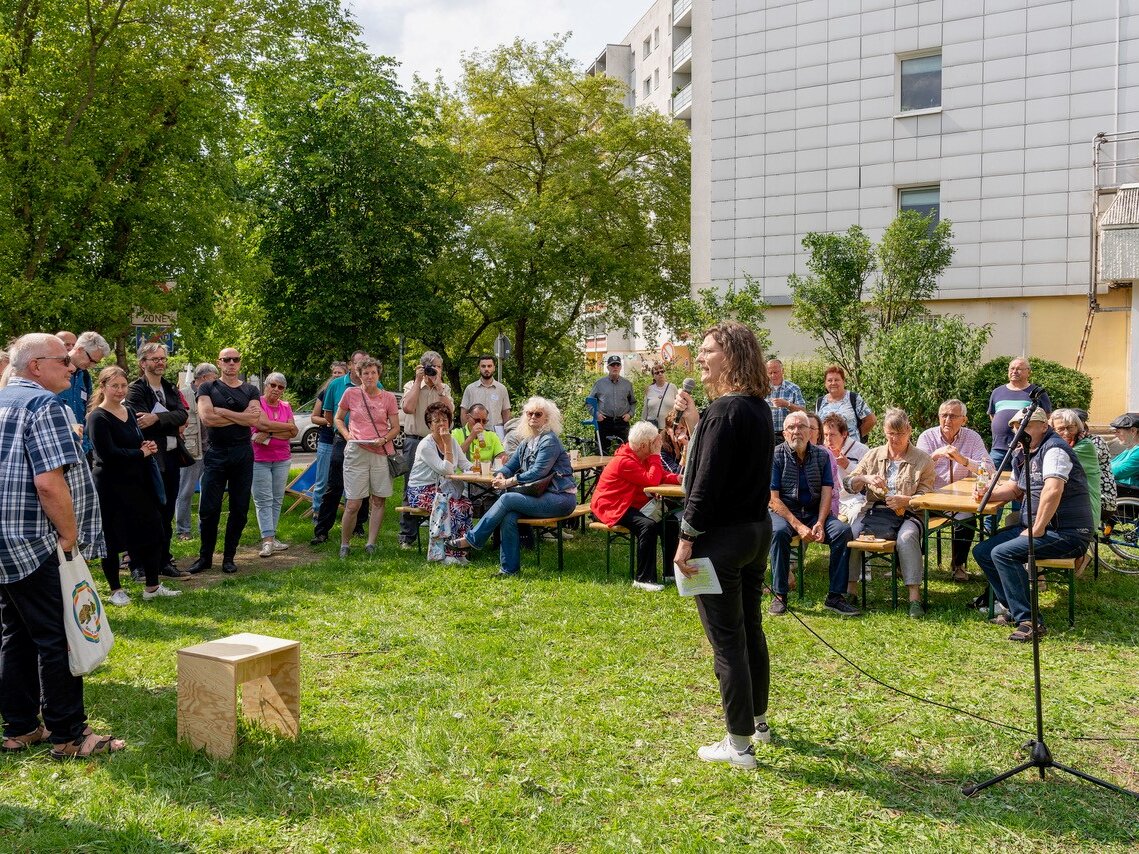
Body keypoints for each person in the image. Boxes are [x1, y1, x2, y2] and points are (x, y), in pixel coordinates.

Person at [0, 333, 124, 759]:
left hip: (4, 541)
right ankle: (69, 735)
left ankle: (20, 728)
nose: (72, 368)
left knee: (15, 633)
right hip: (35, 540)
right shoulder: (43, 405)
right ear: (36, 365)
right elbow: (49, 482)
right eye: (62, 362)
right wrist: (69, 537)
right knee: (59, 636)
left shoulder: (2, 400)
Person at [669, 321, 774, 770]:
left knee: (727, 640)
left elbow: (706, 484)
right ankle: (759, 722)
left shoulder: (724, 411)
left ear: (729, 356)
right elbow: (721, 464)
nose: (702, 357)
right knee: (749, 628)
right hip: (755, 532)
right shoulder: (756, 409)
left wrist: (686, 537)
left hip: (722, 540)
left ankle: (740, 745)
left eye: (709, 350)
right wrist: (696, 420)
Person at [972, 406, 1093, 642]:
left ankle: (1029, 621)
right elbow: (1016, 488)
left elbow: (1053, 490)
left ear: (1043, 427)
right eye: (1016, 427)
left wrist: (1037, 529)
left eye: (1026, 425)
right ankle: (1010, 606)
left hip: (1067, 533)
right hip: (1038, 527)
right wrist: (988, 493)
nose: (1020, 430)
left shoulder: (1055, 450)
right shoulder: (1022, 453)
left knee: (1003, 554)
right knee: (983, 551)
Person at [447, 397, 577, 577]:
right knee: (509, 515)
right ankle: (509, 569)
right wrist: (501, 473)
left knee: (507, 497)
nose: (532, 417)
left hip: (560, 498)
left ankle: (473, 538)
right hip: (538, 496)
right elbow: (510, 465)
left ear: (547, 419)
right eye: (529, 413)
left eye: (538, 414)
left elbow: (537, 473)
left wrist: (508, 482)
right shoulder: (526, 442)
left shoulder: (549, 441)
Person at [87, 366, 182, 603]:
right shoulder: (97, 417)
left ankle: (152, 586)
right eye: (114, 386)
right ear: (103, 387)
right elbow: (107, 454)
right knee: (112, 537)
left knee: (153, 530)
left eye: (123, 386)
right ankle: (115, 590)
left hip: (138, 482)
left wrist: (146, 447)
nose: (120, 390)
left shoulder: (129, 411)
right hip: (110, 485)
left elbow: (135, 442)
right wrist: (140, 453)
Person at [843, 408, 936, 618]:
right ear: (884, 432)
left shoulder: (923, 460)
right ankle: (851, 590)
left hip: (910, 513)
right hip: (876, 512)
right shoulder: (873, 455)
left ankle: (914, 597)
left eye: (900, 434)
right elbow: (849, 483)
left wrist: (906, 500)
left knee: (906, 537)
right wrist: (865, 479)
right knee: (851, 533)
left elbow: (926, 497)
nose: (895, 439)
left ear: (909, 430)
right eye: (891, 434)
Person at [767, 411, 857, 617]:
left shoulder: (822, 455)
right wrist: (798, 525)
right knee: (779, 533)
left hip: (815, 512)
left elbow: (827, 491)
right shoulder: (776, 455)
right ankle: (780, 594)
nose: (797, 431)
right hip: (784, 513)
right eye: (792, 428)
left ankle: (835, 596)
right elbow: (773, 499)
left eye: (801, 427)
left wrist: (820, 522)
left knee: (843, 531)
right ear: (784, 433)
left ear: (810, 432)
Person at [188, 348, 261, 575]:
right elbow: (208, 418)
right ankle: (205, 557)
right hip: (216, 453)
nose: (231, 363)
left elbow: (254, 419)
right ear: (219, 363)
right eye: (226, 359)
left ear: (240, 363)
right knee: (209, 509)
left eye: (235, 359)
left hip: (242, 453)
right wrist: (239, 417)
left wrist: (224, 412)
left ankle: (229, 557)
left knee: (239, 509)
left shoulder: (251, 389)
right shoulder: (207, 387)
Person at [590, 421, 681, 591]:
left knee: (670, 523)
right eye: (654, 442)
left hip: (630, 503)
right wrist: (656, 455)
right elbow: (651, 479)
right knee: (648, 526)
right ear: (643, 445)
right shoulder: (625, 461)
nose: (658, 444)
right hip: (612, 506)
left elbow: (658, 474)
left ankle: (670, 573)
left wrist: (677, 479)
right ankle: (644, 579)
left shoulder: (640, 456)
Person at [126, 342, 189, 578]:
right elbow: (140, 420)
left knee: (166, 512)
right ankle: (138, 564)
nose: (161, 362)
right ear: (143, 363)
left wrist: (157, 418)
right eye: (155, 359)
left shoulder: (170, 388)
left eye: (163, 358)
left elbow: (183, 414)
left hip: (172, 458)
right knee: (145, 511)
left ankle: (164, 560)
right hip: (149, 458)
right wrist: (166, 419)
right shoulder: (135, 390)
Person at [915, 399, 989, 581]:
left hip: (960, 500)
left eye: (953, 416)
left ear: (964, 420)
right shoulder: (927, 437)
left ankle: (958, 565)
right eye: (944, 415)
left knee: (967, 517)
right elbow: (915, 469)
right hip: (931, 498)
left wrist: (963, 459)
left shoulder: (972, 438)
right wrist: (934, 456)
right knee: (912, 517)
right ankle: (911, 564)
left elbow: (988, 468)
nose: (947, 419)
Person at [335, 358, 400, 558]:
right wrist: (347, 436)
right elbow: (338, 418)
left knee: (378, 500)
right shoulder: (351, 393)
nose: (370, 376)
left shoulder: (388, 397)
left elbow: (396, 427)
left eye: (373, 372)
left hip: (381, 452)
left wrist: (385, 438)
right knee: (353, 502)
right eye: (366, 373)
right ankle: (345, 544)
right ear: (359, 375)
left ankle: (371, 543)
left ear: (378, 374)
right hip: (356, 452)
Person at [986, 357, 1052, 533]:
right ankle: (988, 530)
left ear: (1028, 372)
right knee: (991, 486)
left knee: (1021, 490)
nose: (1014, 371)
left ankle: (1017, 528)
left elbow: (1045, 418)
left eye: (1019, 369)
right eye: (1012, 368)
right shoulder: (997, 392)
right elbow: (993, 417)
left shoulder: (1036, 393)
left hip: (1025, 451)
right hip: (999, 451)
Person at [311, 352, 370, 545]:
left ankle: (358, 526)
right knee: (334, 485)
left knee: (362, 485)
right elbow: (328, 414)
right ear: (350, 365)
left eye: (365, 363)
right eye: (357, 363)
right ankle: (321, 531)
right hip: (342, 440)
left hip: (366, 442)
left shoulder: (374, 384)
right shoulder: (336, 385)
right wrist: (343, 430)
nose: (361, 367)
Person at [407, 401, 475, 564]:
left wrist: (482, 470)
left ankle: (461, 551)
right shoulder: (425, 445)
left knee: (465, 504)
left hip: (443, 489)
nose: (441, 424)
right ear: (430, 425)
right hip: (421, 491)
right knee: (451, 506)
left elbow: (465, 465)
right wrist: (446, 445)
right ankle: (444, 553)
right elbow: (446, 470)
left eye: (444, 420)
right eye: (436, 421)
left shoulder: (451, 441)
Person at [400, 351, 453, 548]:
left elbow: (450, 412)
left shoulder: (444, 387)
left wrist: (439, 386)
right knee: (410, 486)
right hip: (416, 440)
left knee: (443, 483)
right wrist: (418, 380)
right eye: (431, 367)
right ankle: (407, 535)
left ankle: (442, 528)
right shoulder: (411, 385)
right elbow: (407, 408)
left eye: (438, 367)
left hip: (440, 441)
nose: (434, 371)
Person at [251, 372, 297, 558]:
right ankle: (267, 540)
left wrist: (268, 432)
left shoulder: (286, 406)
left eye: (281, 387)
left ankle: (272, 536)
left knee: (277, 498)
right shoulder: (257, 403)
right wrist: (283, 427)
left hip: (282, 458)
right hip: (259, 459)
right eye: (273, 385)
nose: (276, 389)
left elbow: (293, 432)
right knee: (263, 500)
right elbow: (258, 425)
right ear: (265, 385)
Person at [175, 363, 218, 540]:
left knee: (208, 491)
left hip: (212, 449)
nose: (216, 383)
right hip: (191, 450)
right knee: (186, 491)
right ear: (203, 378)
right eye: (214, 379)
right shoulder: (183, 394)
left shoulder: (213, 394)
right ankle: (183, 530)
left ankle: (204, 527)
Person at [56, 331, 110, 461]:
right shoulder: (54, 370)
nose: (92, 366)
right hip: (58, 445)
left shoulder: (84, 376)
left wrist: (87, 444)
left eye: (95, 363)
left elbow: (86, 411)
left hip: (81, 447)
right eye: (91, 360)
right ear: (79, 349)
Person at [310, 361, 347, 517]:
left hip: (346, 441)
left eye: (340, 373)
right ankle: (317, 512)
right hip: (327, 440)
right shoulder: (325, 392)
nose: (336, 375)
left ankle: (348, 514)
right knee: (323, 479)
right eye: (335, 372)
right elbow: (314, 417)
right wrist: (333, 421)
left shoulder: (352, 391)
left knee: (348, 481)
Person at [815, 364, 875, 442]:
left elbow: (871, 420)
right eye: (829, 380)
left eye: (836, 380)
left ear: (843, 382)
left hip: (850, 449)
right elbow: (817, 426)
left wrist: (856, 436)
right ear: (825, 383)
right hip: (827, 450)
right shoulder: (820, 401)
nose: (833, 383)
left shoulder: (853, 398)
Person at [590, 355, 636, 453]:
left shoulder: (627, 384)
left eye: (617, 365)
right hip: (604, 422)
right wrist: (596, 414)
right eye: (612, 365)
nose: (615, 367)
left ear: (620, 367)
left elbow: (633, 402)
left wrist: (630, 414)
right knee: (601, 452)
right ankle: (601, 469)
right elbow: (589, 402)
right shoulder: (599, 384)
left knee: (626, 452)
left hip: (622, 422)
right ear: (608, 367)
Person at [460, 354, 511, 430]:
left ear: (494, 368)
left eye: (489, 366)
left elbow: (506, 413)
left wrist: (507, 434)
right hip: (475, 433)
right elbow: (464, 413)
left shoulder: (501, 389)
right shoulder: (470, 389)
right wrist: (466, 433)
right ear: (479, 368)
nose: (486, 369)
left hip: (496, 434)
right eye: (483, 366)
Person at [452, 402, 507, 469]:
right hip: (462, 477)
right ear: (467, 417)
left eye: (484, 421)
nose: (480, 424)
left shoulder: (492, 435)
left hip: (484, 475)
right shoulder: (456, 433)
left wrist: (501, 460)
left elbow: (501, 456)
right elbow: (454, 457)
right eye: (477, 420)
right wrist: (471, 436)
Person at [765, 358, 804, 443]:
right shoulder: (761, 389)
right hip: (766, 434)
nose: (773, 375)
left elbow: (803, 411)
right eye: (770, 373)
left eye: (775, 372)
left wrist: (787, 404)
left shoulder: (793, 389)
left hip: (787, 435)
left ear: (782, 371)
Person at [1109, 413, 1139, 498]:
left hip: (1130, 493)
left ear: (1133, 431)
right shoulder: (1131, 448)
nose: (1116, 435)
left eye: (1118, 431)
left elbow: (1114, 472)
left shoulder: (1137, 452)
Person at [642, 363, 678, 429]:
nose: (660, 374)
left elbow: (678, 407)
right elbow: (645, 410)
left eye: (662, 371)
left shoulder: (672, 387)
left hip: (669, 428)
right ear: (653, 376)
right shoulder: (649, 389)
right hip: (652, 428)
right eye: (657, 373)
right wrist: (642, 425)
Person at [660, 410, 690, 475]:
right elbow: (678, 475)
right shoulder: (661, 448)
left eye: (682, 428)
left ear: (687, 429)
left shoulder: (691, 442)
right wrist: (686, 448)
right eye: (675, 428)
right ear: (668, 431)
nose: (679, 432)